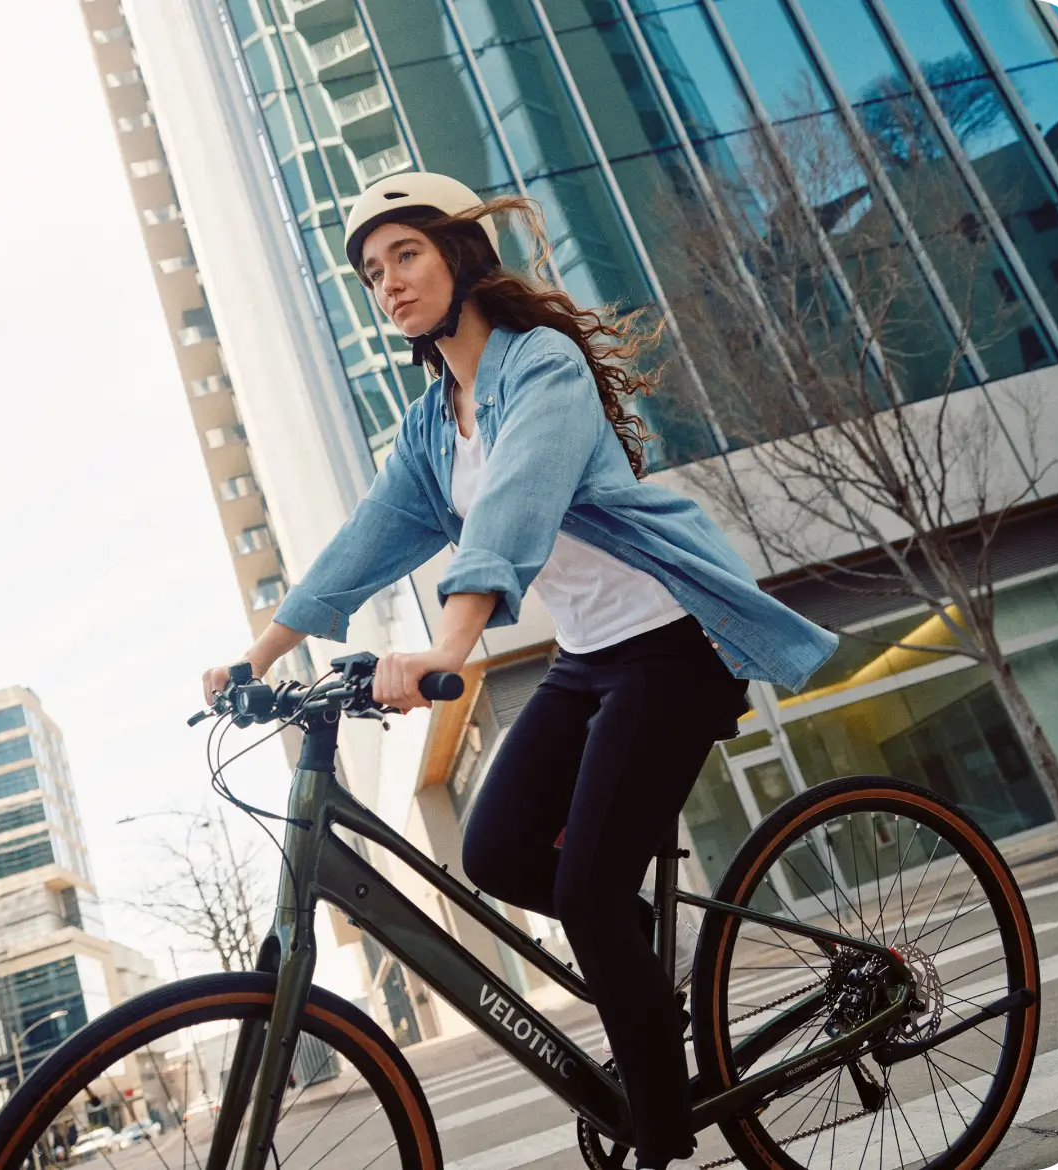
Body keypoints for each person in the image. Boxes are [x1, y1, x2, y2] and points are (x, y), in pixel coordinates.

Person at [201, 172, 837, 1170]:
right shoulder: (431, 419)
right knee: (495, 854)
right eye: (371, 273)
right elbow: (367, 537)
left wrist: (450, 649)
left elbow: (517, 508)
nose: (389, 284)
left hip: (671, 647)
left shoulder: (541, 367)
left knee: (583, 896)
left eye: (406, 255)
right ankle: (638, 966)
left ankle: (664, 1138)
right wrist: (259, 652)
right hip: (588, 661)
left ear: (460, 255)